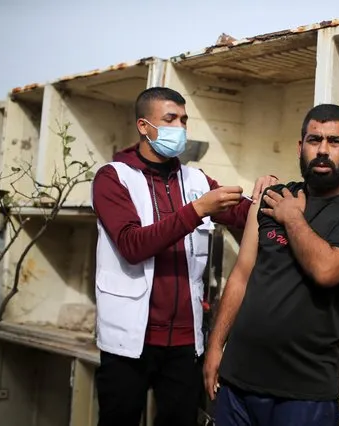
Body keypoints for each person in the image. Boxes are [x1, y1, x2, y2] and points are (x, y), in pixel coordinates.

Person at [91, 86, 277, 426]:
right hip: (129, 342)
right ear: (144, 126)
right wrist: (196, 210)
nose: (180, 128)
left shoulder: (194, 180)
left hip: (184, 343)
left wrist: (269, 198)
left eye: (184, 120)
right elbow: (133, 245)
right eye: (170, 119)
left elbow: (243, 216)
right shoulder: (113, 177)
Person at [203, 103, 339, 425]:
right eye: (314, 140)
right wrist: (215, 347)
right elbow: (241, 275)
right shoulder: (273, 197)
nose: (322, 150)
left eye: (334, 142)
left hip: (304, 393)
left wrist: (292, 218)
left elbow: (327, 271)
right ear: (300, 146)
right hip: (236, 383)